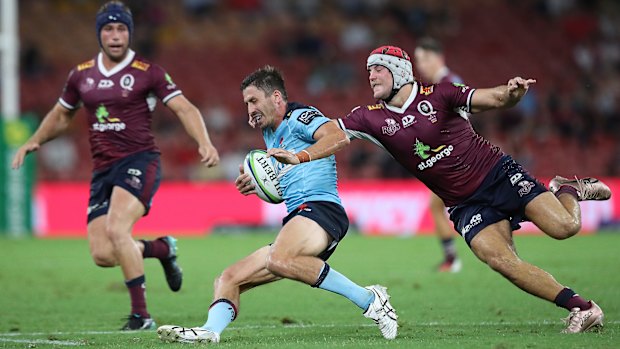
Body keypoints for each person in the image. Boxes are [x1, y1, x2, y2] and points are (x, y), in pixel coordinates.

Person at [333, 45, 609, 333]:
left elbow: (495, 97)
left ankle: (568, 189)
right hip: (465, 204)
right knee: (502, 261)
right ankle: (582, 307)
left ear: (398, 71)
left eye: (378, 69)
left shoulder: (441, 93)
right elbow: (329, 131)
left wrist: (512, 92)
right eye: (369, 71)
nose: (371, 76)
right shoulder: (369, 117)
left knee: (565, 227)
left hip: (498, 175)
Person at [11, 1, 220, 330]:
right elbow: (61, 113)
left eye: (121, 28)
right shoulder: (81, 75)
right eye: (108, 28)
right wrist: (35, 139)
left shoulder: (147, 72)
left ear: (130, 33)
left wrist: (204, 142)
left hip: (140, 161)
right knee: (103, 254)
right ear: (99, 34)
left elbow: (185, 108)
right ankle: (162, 248)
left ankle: (142, 316)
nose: (115, 35)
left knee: (117, 229)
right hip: (103, 170)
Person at [156, 65, 398, 344]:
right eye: (246, 103)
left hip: (321, 209)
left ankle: (370, 299)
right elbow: (286, 185)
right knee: (228, 279)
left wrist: (299, 157)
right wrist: (258, 187)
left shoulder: (300, 117)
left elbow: (338, 137)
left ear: (276, 98)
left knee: (279, 258)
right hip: (300, 215)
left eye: (253, 101)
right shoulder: (271, 134)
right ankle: (211, 331)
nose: (249, 110)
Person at [414, 37, 464, 272]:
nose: (421, 65)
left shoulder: (447, 84)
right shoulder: (443, 84)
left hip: (456, 157)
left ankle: (452, 260)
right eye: (418, 60)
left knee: (439, 205)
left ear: (438, 57)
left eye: (425, 58)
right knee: (437, 205)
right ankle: (451, 259)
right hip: (452, 157)